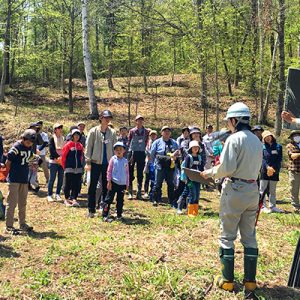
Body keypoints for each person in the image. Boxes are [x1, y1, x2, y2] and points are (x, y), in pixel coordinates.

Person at [201, 102, 263, 293]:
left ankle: (227, 280)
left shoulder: (234, 139)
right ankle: (250, 281)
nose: (228, 124)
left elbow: (227, 168)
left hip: (235, 189)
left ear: (235, 120)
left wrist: (209, 172)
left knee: (227, 235)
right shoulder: (256, 141)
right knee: (249, 236)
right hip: (253, 189)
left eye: (229, 121)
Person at [85, 110, 117, 218]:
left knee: (106, 187)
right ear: (101, 118)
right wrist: (88, 162)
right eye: (105, 117)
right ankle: (91, 209)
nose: (107, 119)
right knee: (92, 186)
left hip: (107, 164)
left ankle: (104, 208)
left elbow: (115, 148)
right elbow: (88, 147)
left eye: (109, 118)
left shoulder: (112, 132)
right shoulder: (93, 131)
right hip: (95, 163)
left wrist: (115, 163)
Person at [4, 129, 36, 234]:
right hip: (14, 179)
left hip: (24, 179)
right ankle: (9, 226)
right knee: (12, 203)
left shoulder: (30, 147)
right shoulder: (16, 148)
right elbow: (8, 162)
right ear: (23, 139)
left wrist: (35, 161)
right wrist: (11, 174)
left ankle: (22, 223)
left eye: (31, 143)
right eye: (27, 142)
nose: (29, 144)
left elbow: (30, 158)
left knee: (23, 203)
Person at [150, 126, 179, 207]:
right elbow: (152, 154)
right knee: (157, 183)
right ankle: (155, 199)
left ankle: (171, 200)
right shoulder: (157, 142)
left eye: (168, 131)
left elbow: (178, 152)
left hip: (170, 166)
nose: (167, 132)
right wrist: (154, 163)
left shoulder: (174, 142)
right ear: (161, 133)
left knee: (171, 183)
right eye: (165, 131)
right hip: (160, 165)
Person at [102, 142, 129, 222]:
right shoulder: (113, 159)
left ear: (124, 150)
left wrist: (127, 183)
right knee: (108, 199)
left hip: (122, 184)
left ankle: (119, 215)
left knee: (120, 200)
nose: (119, 151)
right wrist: (109, 181)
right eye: (117, 150)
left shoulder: (125, 161)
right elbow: (109, 171)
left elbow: (127, 173)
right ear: (114, 151)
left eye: (120, 149)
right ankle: (105, 214)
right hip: (113, 182)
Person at [259, 131, 283, 213]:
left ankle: (273, 206)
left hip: (275, 171)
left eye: (269, 136)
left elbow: (279, 159)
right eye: (265, 137)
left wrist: (273, 168)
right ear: (263, 139)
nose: (268, 138)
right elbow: (262, 159)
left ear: (272, 136)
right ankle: (262, 206)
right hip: (264, 171)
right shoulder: (262, 147)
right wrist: (267, 167)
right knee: (262, 189)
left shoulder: (278, 146)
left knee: (272, 190)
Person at [178, 140, 203, 215]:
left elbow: (201, 168)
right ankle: (190, 212)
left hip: (197, 179)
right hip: (190, 180)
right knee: (192, 193)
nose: (195, 149)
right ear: (191, 148)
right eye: (194, 147)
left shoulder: (199, 157)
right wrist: (187, 179)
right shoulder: (188, 157)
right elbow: (186, 169)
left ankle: (195, 211)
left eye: (197, 147)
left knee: (197, 193)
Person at [127, 115, 149, 200]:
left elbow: (147, 142)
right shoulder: (132, 131)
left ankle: (139, 192)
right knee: (130, 172)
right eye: (138, 120)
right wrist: (129, 152)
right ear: (135, 121)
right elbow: (128, 142)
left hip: (141, 153)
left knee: (140, 173)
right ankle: (130, 192)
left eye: (141, 120)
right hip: (132, 153)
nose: (139, 121)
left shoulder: (146, 131)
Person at [61, 129, 84, 207]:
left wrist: (81, 166)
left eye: (78, 135)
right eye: (75, 135)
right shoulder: (68, 144)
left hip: (78, 168)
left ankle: (74, 199)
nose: (77, 136)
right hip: (69, 167)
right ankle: (67, 199)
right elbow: (63, 156)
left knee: (76, 184)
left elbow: (81, 157)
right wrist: (64, 166)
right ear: (72, 136)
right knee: (68, 184)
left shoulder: (80, 145)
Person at [47, 123, 65, 202]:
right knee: (52, 178)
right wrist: (58, 157)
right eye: (58, 128)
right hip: (54, 161)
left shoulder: (63, 138)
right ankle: (49, 194)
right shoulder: (52, 139)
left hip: (61, 162)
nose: (60, 129)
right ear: (55, 130)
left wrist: (62, 158)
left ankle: (57, 194)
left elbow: (64, 149)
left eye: (61, 127)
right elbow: (51, 150)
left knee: (60, 178)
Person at [286, 130, 300, 212]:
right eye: (295, 135)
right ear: (291, 137)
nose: (297, 137)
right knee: (294, 188)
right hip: (294, 170)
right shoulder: (290, 145)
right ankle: (296, 205)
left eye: (298, 135)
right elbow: (293, 156)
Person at [143, 129, 158, 200]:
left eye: (154, 135)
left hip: (155, 162)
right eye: (151, 135)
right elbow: (146, 151)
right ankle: (145, 191)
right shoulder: (148, 143)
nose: (153, 136)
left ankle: (151, 192)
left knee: (153, 178)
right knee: (147, 178)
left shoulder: (158, 143)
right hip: (148, 162)